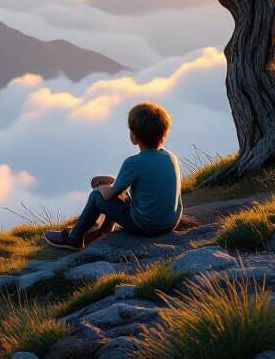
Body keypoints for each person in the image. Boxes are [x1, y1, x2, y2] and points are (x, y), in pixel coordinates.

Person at [44, 102, 183, 250]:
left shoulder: (133, 163)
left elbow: (110, 194)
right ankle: (104, 229)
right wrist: (116, 184)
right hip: (170, 223)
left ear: (133, 137)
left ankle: (74, 238)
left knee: (96, 196)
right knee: (121, 194)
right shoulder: (171, 157)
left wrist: (102, 188)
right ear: (163, 134)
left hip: (145, 227)